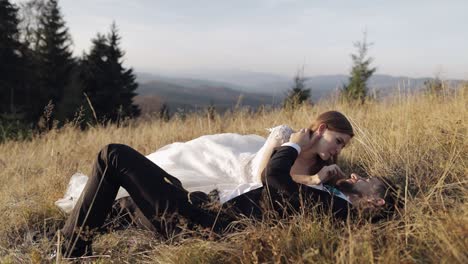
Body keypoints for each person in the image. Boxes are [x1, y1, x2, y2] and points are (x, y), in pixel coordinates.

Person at [60, 120, 400, 258]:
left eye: (366, 183)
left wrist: (294, 145)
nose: (357, 176)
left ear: (375, 201)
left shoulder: (336, 206)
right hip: (204, 209)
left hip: (196, 225)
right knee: (128, 206)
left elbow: (274, 180)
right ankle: (70, 235)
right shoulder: (331, 197)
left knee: (113, 155)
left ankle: (69, 254)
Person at [56, 111, 353, 211]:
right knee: (172, 171)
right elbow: (264, 177)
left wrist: (331, 179)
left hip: (239, 195)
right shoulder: (288, 138)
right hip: (236, 170)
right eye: (338, 141)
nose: (338, 150)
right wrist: (312, 178)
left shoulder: (319, 166)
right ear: (323, 129)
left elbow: (290, 189)